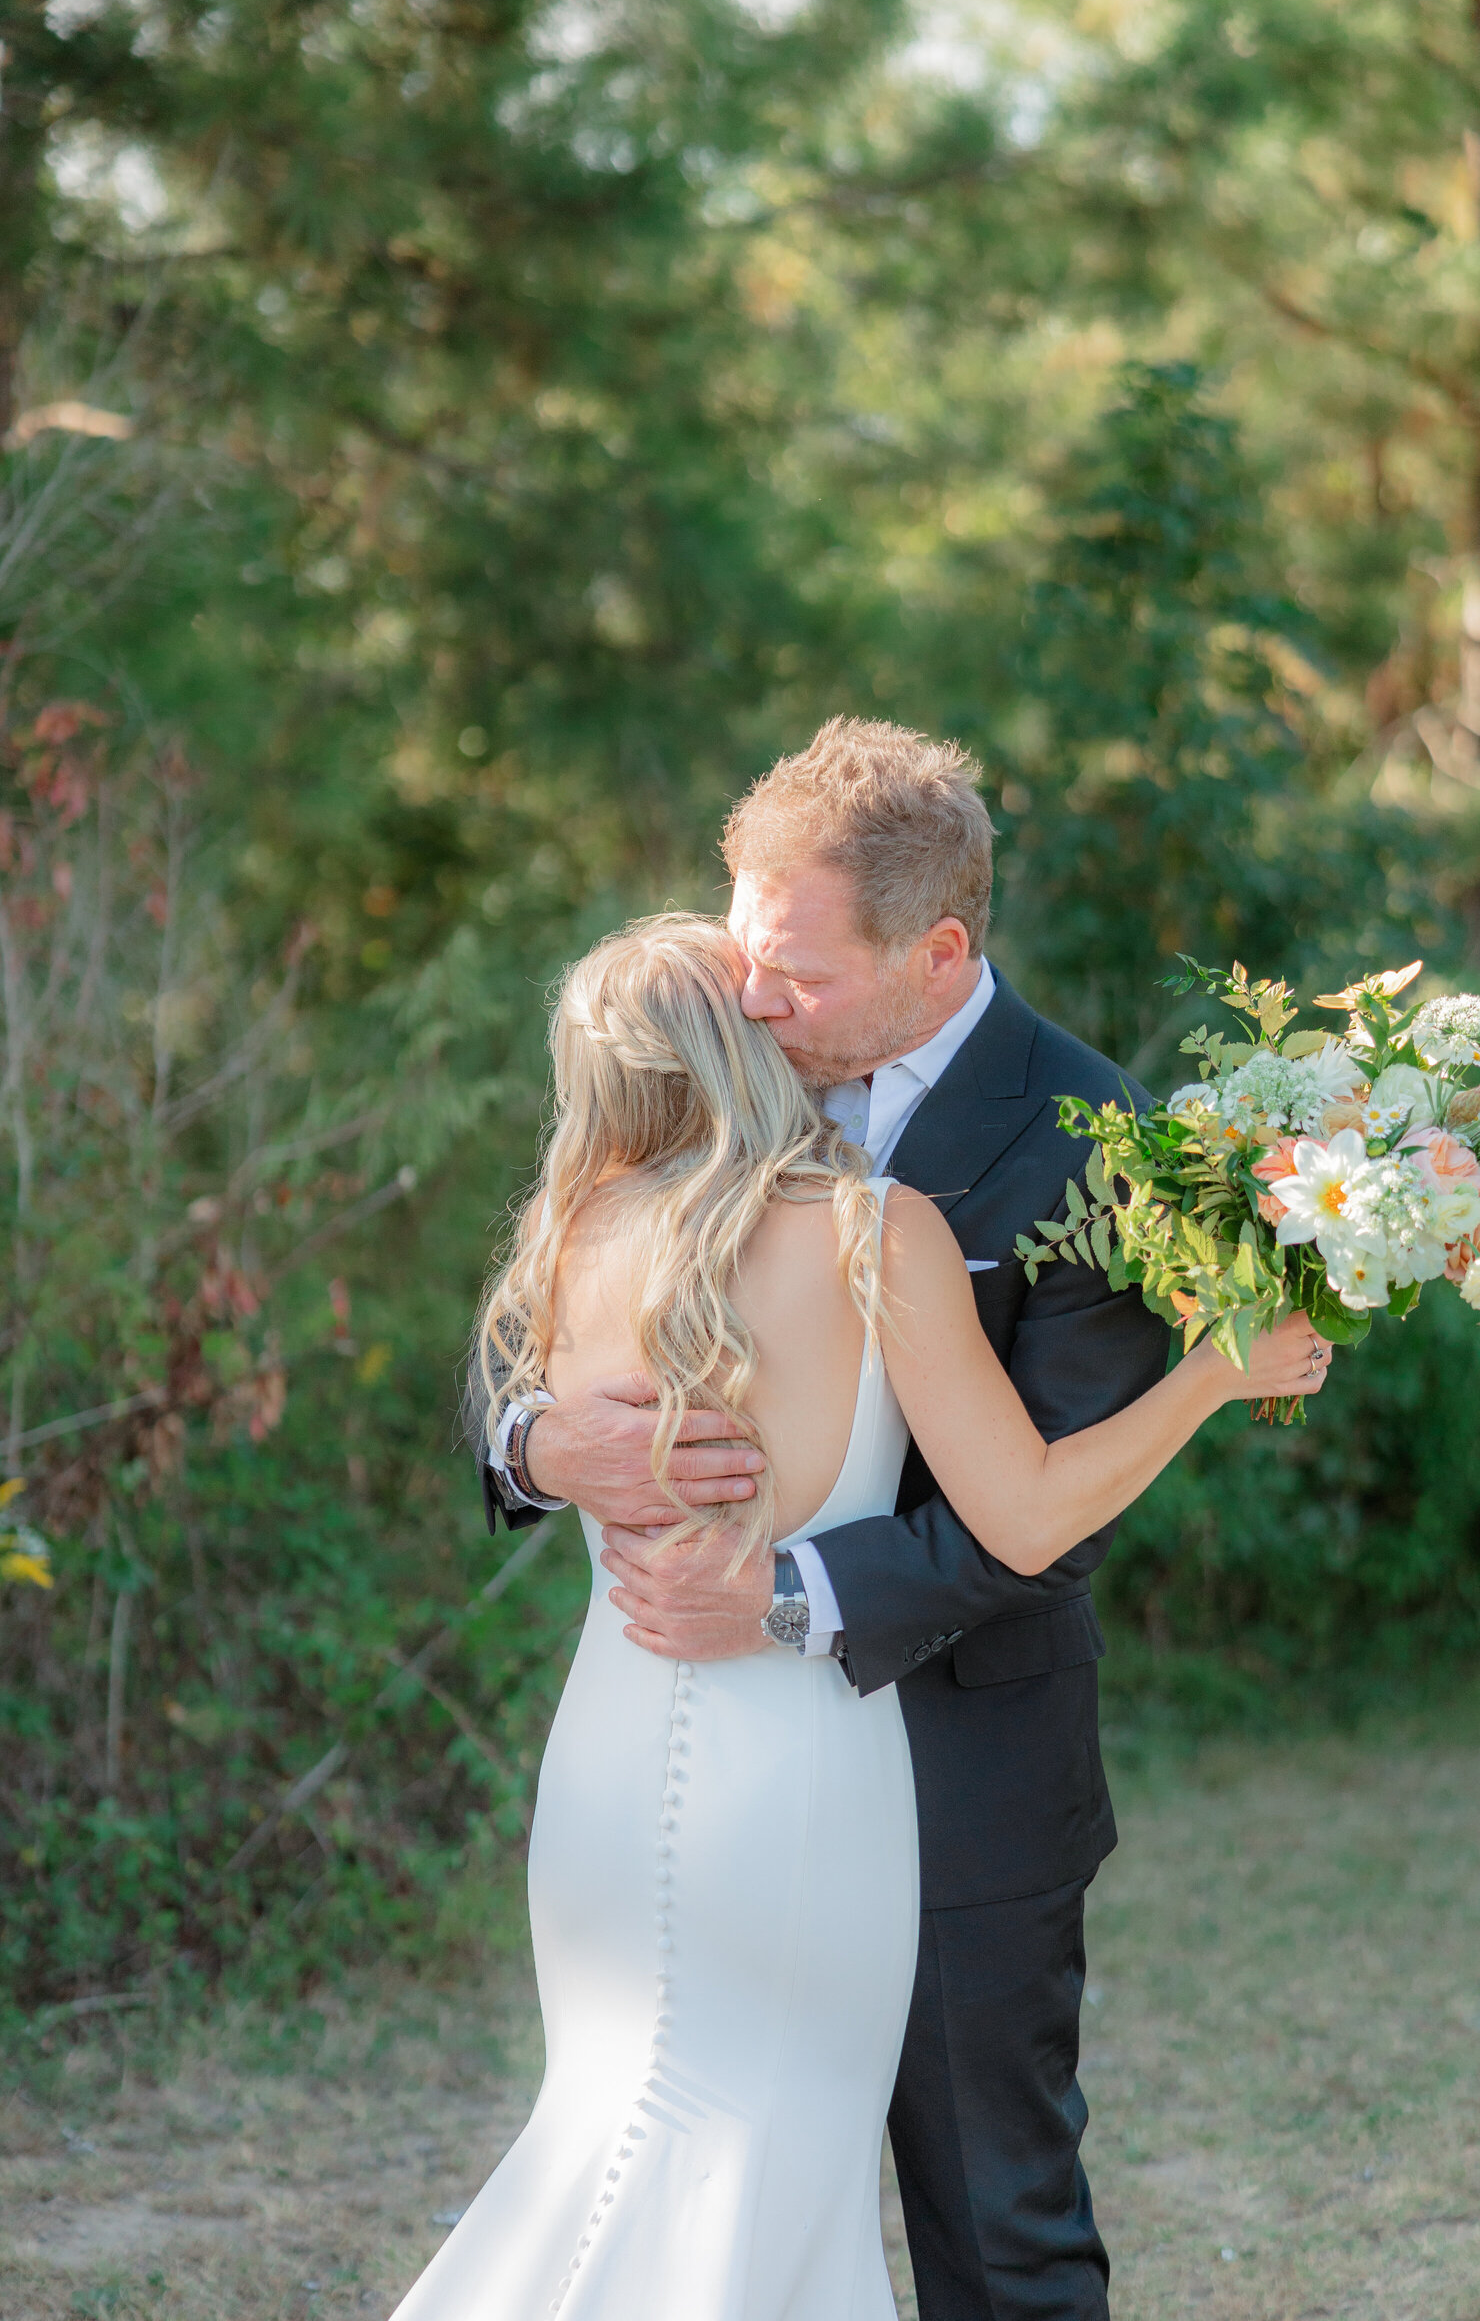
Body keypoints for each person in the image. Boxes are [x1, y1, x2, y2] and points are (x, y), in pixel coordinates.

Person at [475, 719, 1328, 2321]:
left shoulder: (1100, 1141)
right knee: (687, 2168)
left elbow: (1047, 1523)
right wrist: (538, 1443)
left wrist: (786, 1595)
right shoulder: (701, 1093)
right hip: (695, 1760)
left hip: (961, 1767)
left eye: (793, 973)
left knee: (997, 2229)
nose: (750, 998)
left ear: (938, 953)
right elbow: (536, 1343)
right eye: (742, 951)